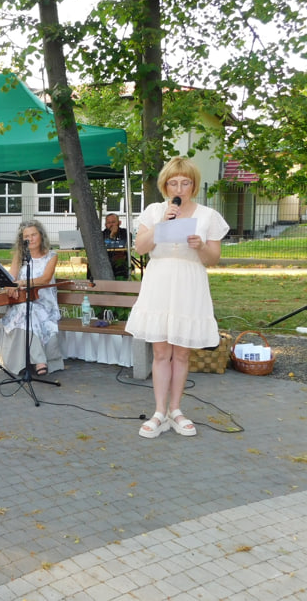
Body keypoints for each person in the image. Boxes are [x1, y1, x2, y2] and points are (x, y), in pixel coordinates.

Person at [125, 156, 229, 438]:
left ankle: (176, 410)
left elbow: (214, 259)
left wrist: (201, 246)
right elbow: (140, 249)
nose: (179, 188)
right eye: (173, 183)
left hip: (189, 283)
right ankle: (159, 412)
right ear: (165, 185)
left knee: (181, 352)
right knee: (161, 352)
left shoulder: (207, 215)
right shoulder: (154, 211)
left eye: (185, 183)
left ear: (193, 185)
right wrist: (161, 224)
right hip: (159, 281)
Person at [0, 220, 63, 377]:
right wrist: (10, 286)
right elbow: (11, 278)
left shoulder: (51, 256)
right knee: (26, 309)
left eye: (34, 235)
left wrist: (22, 283)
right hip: (22, 302)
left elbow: (45, 279)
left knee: (28, 311)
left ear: (41, 236)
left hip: (44, 303)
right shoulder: (20, 256)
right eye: (26, 236)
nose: (30, 239)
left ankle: (27, 362)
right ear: (21, 239)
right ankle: (40, 361)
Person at [102, 213, 130, 279]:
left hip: (120, 263)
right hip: (105, 261)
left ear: (119, 223)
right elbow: (104, 245)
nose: (111, 224)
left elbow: (123, 244)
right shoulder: (102, 234)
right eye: (109, 223)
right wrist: (111, 236)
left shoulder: (126, 233)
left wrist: (113, 236)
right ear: (105, 225)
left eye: (113, 222)